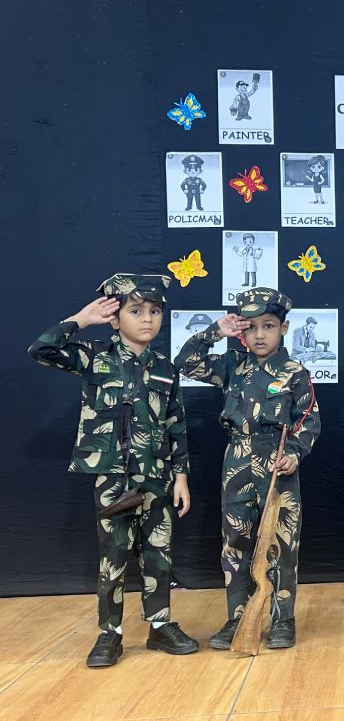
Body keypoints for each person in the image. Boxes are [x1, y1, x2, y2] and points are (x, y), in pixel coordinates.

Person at [28, 274, 198, 668]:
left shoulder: (165, 368)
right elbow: (41, 349)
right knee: (113, 555)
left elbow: (176, 423)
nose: (147, 318)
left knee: (158, 553)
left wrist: (182, 477)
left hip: (156, 476)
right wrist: (82, 319)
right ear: (115, 318)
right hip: (113, 477)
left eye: (155, 311)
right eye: (136, 311)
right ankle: (110, 633)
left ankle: (160, 626)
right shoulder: (95, 357)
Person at [175, 287, 321, 648]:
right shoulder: (231, 366)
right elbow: (184, 362)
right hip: (237, 458)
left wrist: (295, 453)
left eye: (268, 326)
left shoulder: (295, 373)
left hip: (278, 462)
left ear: (283, 328)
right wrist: (215, 332)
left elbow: (308, 420)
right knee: (235, 542)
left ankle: (283, 620)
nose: (259, 335)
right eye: (251, 327)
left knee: (282, 542)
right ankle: (237, 619)